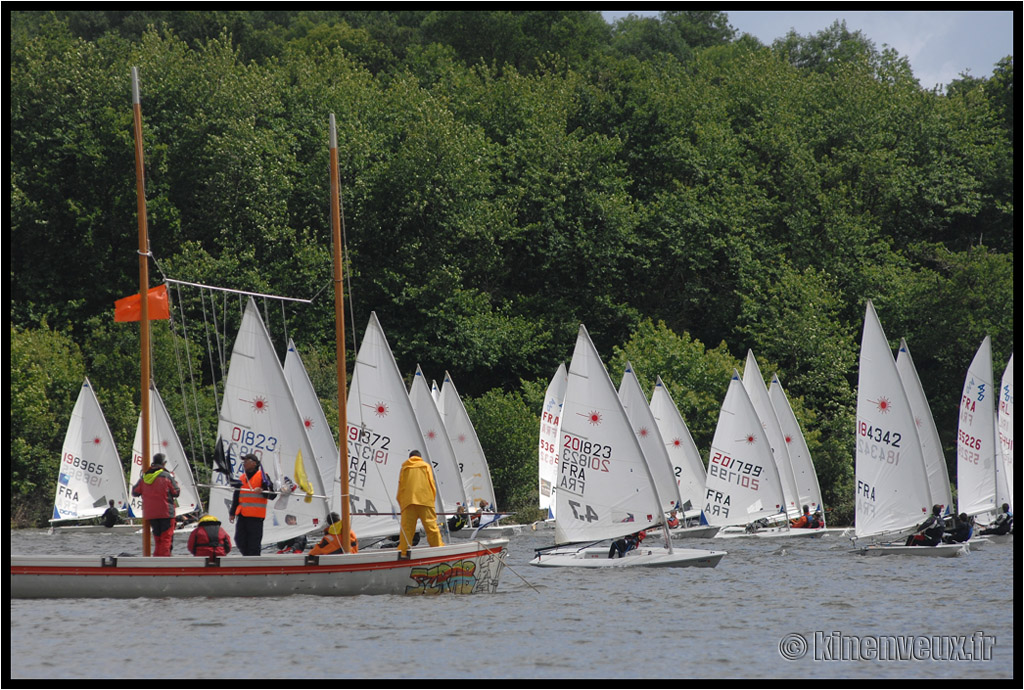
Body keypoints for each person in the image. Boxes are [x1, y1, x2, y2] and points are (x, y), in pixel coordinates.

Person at [395, 450, 444, 558]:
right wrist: (431, 501)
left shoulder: (404, 468)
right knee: (431, 527)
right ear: (420, 457)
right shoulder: (425, 466)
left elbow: (400, 487)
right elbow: (432, 484)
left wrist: (401, 504)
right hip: (425, 501)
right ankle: (438, 549)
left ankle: (403, 552)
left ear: (410, 457)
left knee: (406, 530)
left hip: (408, 502)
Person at [131, 453, 181, 556]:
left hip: (151, 514)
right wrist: (174, 480)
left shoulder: (144, 477)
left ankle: (156, 561)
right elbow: (176, 492)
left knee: (158, 540)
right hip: (166, 512)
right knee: (166, 540)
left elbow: (135, 492)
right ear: (164, 463)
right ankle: (163, 564)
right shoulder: (167, 476)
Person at [229, 453, 277, 556]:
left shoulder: (263, 476)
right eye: (244, 462)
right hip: (242, 515)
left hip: (256, 516)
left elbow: (272, 494)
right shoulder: (241, 478)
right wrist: (232, 513)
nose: (244, 464)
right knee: (239, 539)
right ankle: (247, 557)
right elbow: (236, 497)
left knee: (254, 543)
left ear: (254, 463)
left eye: (246, 461)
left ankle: (254, 560)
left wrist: (262, 491)